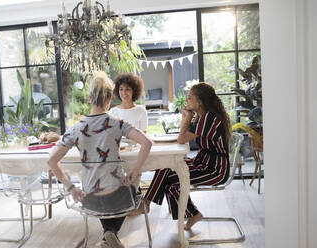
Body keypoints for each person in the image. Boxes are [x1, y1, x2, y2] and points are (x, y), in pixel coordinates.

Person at [47, 71, 152, 248]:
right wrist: (134, 171)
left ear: (89, 98)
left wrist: (71, 188)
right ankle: (109, 234)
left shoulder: (77, 128)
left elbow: (51, 160)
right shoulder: (118, 123)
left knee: (104, 196)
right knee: (132, 188)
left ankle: (107, 235)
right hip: (118, 198)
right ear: (110, 98)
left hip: (89, 199)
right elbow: (147, 143)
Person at [129, 82, 231, 231]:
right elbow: (182, 137)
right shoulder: (203, 116)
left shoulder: (209, 118)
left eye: (190, 98)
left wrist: (188, 117)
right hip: (203, 163)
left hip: (215, 170)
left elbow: (181, 139)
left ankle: (183, 211)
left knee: (171, 182)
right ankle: (181, 211)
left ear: (200, 102)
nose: (186, 101)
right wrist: (188, 116)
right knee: (166, 167)